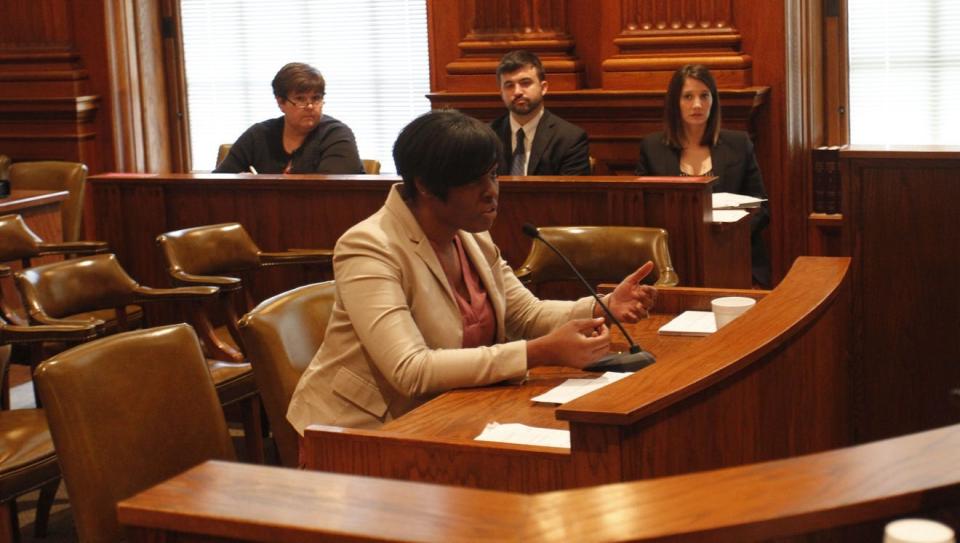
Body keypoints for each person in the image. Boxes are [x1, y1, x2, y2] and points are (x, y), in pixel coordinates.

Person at [287, 110, 657, 438]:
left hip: (448, 415)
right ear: (426, 186)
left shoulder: (471, 234)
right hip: (359, 434)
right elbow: (410, 369)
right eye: (473, 182)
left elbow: (526, 314)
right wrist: (538, 353)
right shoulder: (370, 246)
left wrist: (602, 306)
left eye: (494, 175)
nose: (492, 192)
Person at [635, 64, 771, 286]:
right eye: (688, 96)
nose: (697, 104)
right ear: (675, 103)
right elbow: (644, 208)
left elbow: (762, 208)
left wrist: (725, 234)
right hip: (673, 256)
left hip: (732, 254)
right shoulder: (652, 148)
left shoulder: (738, 144)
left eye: (704, 96)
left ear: (713, 100)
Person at [214, 62, 364, 174]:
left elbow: (330, 193)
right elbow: (218, 183)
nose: (310, 106)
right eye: (300, 99)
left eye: (316, 98)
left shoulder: (336, 135)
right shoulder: (259, 135)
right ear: (280, 102)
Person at [490, 50, 591, 176]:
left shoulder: (569, 139)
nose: (517, 92)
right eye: (509, 85)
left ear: (543, 88)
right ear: (501, 94)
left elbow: (574, 194)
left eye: (525, 83)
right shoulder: (487, 137)